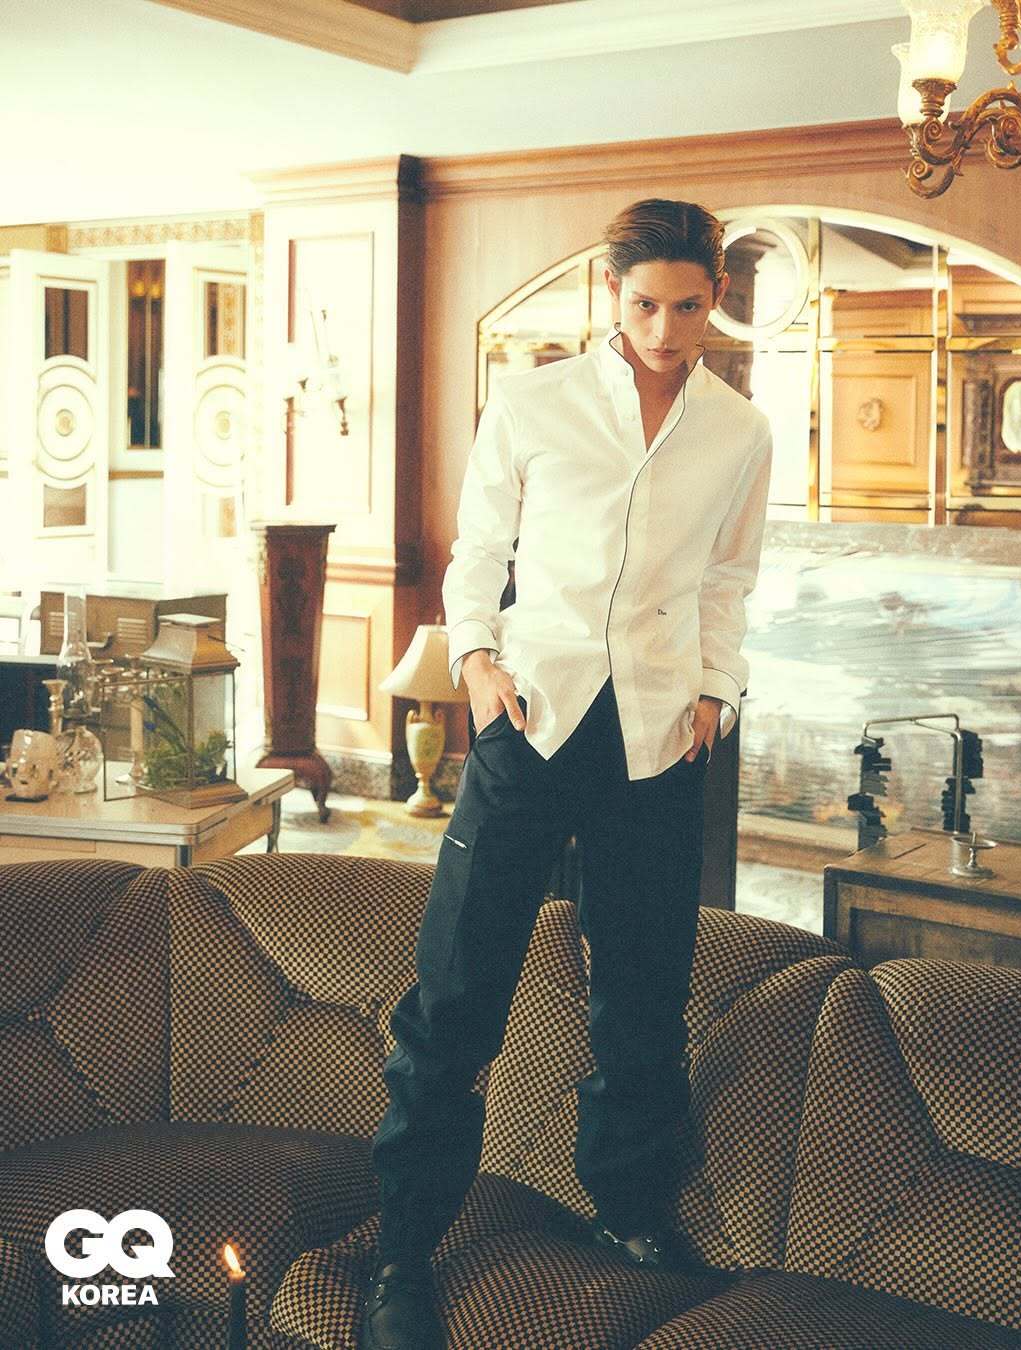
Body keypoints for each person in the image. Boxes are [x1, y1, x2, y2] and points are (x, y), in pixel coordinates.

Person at [361, 197, 773, 1350]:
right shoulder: (533, 403)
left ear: (716, 299)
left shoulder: (740, 432)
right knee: (456, 995)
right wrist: (477, 664)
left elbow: (729, 580)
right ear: (612, 293)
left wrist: (716, 691)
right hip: (531, 723)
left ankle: (629, 1216)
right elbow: (478, 552)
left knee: (642, 997)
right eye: (645, 305)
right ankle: (404, 1248)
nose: (665, 329)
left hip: (659, 738)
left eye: (687, 306)